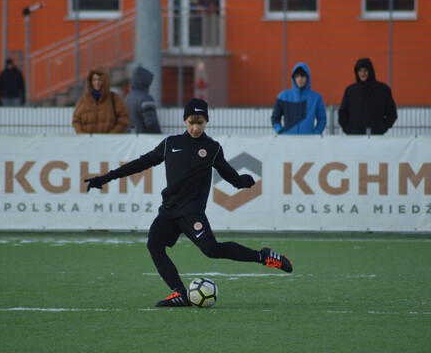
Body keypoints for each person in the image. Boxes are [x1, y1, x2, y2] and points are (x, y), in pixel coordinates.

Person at [84, 98, 293, 307]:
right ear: (184, 120)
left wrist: (241, 182)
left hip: (191, 211)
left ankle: (263, 256)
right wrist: (105, 178)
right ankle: (180, 293)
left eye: (200, 122)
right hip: (168, 211)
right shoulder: (170, 144)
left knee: (212, 250)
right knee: (154, 244)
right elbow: (140, 163)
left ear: (206, 122)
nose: (195, 127)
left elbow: (228, 173)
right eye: (191, 122)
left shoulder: (212, 148)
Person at [338, 58, 397, 135]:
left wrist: (382, 127)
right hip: (354, 137)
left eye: (365, 70)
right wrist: (349, 129)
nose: (362, 74)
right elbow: (342, 113)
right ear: (356, 72)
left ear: (370, 71)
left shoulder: (383, 90)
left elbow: (392, 113)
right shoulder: (350, 91)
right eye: (360, 71)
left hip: (375, 137)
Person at [271, 63, 326, 135]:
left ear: (307, 77)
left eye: (303, 76)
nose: (300, 79)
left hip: (308, 141)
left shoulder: (316, 98)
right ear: (293, 78)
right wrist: (280, 132)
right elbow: (275, 118)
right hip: (288, 141)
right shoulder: (283, 96)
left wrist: (316, 134)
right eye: (297, 76)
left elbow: (322, 119)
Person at [72, 67, 129, 134]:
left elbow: (123, 120)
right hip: (88, 142)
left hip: (109, 142)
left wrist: (112, 136)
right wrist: (82, 135)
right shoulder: (84, 100)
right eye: (94, 80)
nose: (97, 82)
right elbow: (76, 120)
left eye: (100, 80)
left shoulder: (115, 98)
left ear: (105, 81)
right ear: (91, 82)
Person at [124, 67, 161, 133]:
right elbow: (151, 123)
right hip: (143, 139)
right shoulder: (146, 98)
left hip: (130, 138)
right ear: (145, 82)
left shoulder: (126, 98)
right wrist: (159, 136)